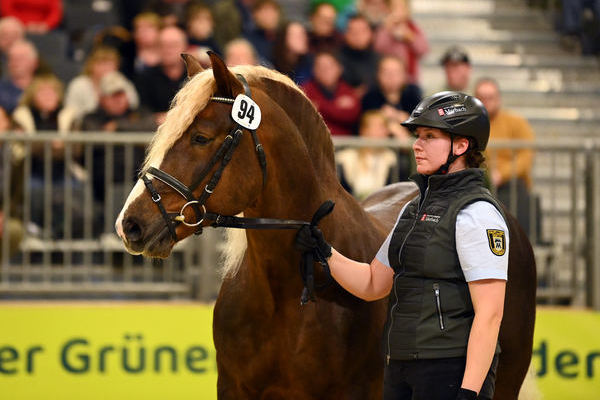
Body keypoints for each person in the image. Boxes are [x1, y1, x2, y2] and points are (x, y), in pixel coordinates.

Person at [295, 91, 508, 400]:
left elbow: (490, 314)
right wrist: (324, 252)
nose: (416, 145)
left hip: (450, 370)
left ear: (461, 145)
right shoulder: (413, 210)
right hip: (400, 365)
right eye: (418, 136)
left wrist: (469, 392)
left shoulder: (477, 213)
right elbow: (372, 283)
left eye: (429, 136)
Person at [81, 71, 156, 232]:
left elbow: (151, 127)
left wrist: (117, 127)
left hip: (139, 178)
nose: (118, 100)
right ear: (101, 99)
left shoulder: (140, 113)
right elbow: (94, 138)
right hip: (105, 182)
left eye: (121, 94)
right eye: (112, 96)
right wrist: (133, 132)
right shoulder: (91, 118)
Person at [12, 74, 84, 238]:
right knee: (32, 192)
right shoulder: (22, 116)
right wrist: (53, 144)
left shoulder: (68, 116)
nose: (48, 97)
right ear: (32, 96)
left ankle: (59, 237)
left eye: (51, 93)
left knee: (76, 196)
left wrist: (38, 144)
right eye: (42, 93)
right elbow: (21, 149)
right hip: (32, 172)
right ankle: (36, 236)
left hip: (65, 172)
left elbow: (76, 149)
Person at [475, 78, 535, 237]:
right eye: (481, 98)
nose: (486, 102)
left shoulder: (516, 122)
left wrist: (502, 173)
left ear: (499, 99)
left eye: (490, 97)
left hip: (511, 183)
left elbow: (526, 156)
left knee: (516, 191)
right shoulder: (470, 125)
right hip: (480, 182)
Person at [336, 110, 399, 200]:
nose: (385, 131)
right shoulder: (346, 157)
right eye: (379, 127)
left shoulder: (390, 158)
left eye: (385, 127)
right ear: (364, 130)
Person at [64, 46, 139, 120]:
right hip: (87, 126)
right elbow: (71, 112)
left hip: (120, 124)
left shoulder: (123, 83)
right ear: (91, 65)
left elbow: (134, 106)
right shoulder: (79, 85)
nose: (105, 68)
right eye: (101, 64)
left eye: (109, 64)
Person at [135, 26, 188, 125]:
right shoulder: (145, 77)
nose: (168, 50)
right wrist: (154, 119)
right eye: (163, 45)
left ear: (184, 47)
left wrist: (175, 118)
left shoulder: (196, 77)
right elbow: (142, 111)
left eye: (173, 45)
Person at [302, 51, 361, 136]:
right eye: (320, 67)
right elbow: (307, 119)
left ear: (339, 69)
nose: (325, 71)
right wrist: (336, 107)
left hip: (344, 144)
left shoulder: (347, 91)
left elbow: (352, 115)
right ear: (314, 70)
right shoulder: (305, 91)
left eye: (329, 67)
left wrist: (320, 106)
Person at [373, 0, 429, 84]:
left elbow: (423, 50)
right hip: (389, 78)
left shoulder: (412, 28)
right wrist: (387, 29)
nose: (398, 11)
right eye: (395, 7)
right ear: (388, 10)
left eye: (402, 7)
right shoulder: (384, 28)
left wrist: (410, 37)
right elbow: (378, 47)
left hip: (410, 78)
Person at [0, 105, 25, 260]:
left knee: (14, 230)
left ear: (7, 124)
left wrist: (3, 214)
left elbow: (16, 193)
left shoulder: (16, 156)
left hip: (4, 214)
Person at [338, 13, 379, 96]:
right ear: (345, 34)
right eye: (353, 31)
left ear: (371, 34)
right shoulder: (336, 60)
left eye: (362, 31)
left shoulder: (380, 60)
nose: (357, 35)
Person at [0, 40, 39, 113]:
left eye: (20, 58)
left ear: (34, 63)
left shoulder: (44, 88)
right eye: (11, 58)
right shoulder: (1, 90)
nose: (15, 63)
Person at [244, 0, 282, 64]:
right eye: (265, 11)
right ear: (254, 15)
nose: (269, 15)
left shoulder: (284, 37)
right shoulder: (247, 40)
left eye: (272, 10)